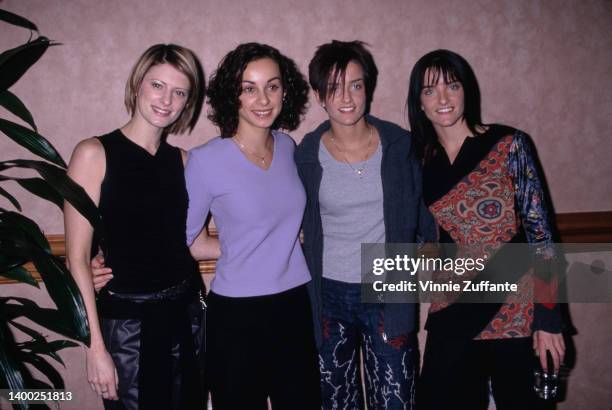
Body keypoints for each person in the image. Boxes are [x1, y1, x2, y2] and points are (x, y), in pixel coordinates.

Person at [407, 49, 565, 409]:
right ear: (419, 101)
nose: (443, 99)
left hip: (516, 309)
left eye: (452, 86)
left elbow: (542, 236)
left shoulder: (510, 144)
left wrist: (549, 318)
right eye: (430, 90)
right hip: (454, 308)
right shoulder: (420, 160)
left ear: (467, 90)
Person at [64, 44, 209, 410]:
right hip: (126, 328)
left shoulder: (185, 162)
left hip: (187, 317)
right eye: (157, 85)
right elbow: (77, 258)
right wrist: (94, 346)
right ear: (137, 86)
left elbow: (194, 243)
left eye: (179, 92)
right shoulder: (93, 154)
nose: (167, 100)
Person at [295, 40, 435, 410]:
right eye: (334, 87)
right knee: (335, 401)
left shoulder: (400, 146)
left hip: (389, 290)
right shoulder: (306, 154)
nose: (346, 97)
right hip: (328, 295)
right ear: (319, 95)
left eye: (356, 85)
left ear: (368, 89)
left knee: (396, 399)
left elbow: (428, 217)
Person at [184, 42, 320, 409]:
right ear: (233, 95)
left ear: (284, 92)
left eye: (272, 86)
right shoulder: (205, 160)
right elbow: (190, 243)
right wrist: (244, 248)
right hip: (237, 316)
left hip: (294, 305)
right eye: (249, 88)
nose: (263, 99)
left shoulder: (289, 147)